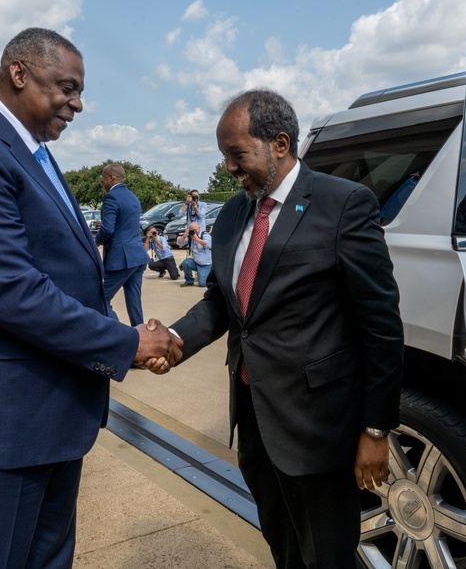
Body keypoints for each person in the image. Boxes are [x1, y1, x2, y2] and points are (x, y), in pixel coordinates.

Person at [0, 27, 181, 569]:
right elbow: (13, 291)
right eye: (66, 87)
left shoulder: (34, 155)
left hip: (46, 421)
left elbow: (67, 273)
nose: (77, 103)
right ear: (18, 73)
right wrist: (126, 342)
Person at [155, 89, 404, 568]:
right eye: (223, 154)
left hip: (319, 430)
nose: (228, 167)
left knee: (327, 555)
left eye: (237, 154)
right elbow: (220, 304)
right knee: (284, 547)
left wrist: (376, 428)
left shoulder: (344, 204)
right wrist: (174, 341)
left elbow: (380, 326)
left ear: (281, 144)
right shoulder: (231, 215)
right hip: (254, 423)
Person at [95, 163, 150, 325]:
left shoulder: (111, 197)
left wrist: (93, 242)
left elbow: (107, 229)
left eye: (103, 177)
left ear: (112, 178)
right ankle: (141, 338)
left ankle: (119, 335)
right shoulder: (132, 196)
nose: (102, 181)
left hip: (121, 259)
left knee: (99, 298)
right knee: (134, 304)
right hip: (137, 258)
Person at [176, 221, 211, 287]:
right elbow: (179, 243)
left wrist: (197, 239)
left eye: (196, 230)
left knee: (203, 284)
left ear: (199, 228)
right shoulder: (190, 237)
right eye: (192, 230)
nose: (194, 232)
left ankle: (208, 271)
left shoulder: (205, 235)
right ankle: (189, 281)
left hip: (205, 264)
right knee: (185, 263)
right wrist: (184, 236)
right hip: (195, 262)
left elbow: (209, 245)